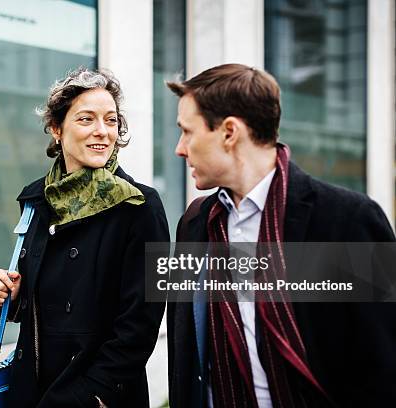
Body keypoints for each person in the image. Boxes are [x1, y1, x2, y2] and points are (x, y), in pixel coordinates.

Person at [166, 63, 396, 408]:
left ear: (230, 132)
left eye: (187, 131)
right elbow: (186, 359)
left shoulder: (348, 221)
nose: (179, 149)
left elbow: (384, 369)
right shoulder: (195, 223)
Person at [0, 68, 169, 408]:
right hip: (34, 387)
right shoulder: (36, 201)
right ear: (57, 129)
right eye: (87, 119)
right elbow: (42, 307)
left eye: (111, 121)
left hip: (94, 396)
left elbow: (141, 326)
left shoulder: (141, 206)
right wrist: (12, 295)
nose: (103, 132)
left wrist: (92, 395)